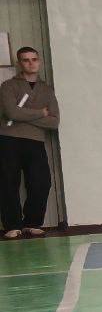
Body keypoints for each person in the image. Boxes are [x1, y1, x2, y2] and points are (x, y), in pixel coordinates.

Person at [0, 46, 59, 239]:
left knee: (41, 182)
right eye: (26, 60)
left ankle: (32, 223)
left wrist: (23, 115)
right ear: (20, 63)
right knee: (8, 182)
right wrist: (40, 112)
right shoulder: (8, 86)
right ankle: (12, 225)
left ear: (39, 61)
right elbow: (11, 113)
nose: (31, 63)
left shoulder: (46, 89)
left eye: (34, 59)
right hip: (9, 139)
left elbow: (54, 121)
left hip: (35, 140)